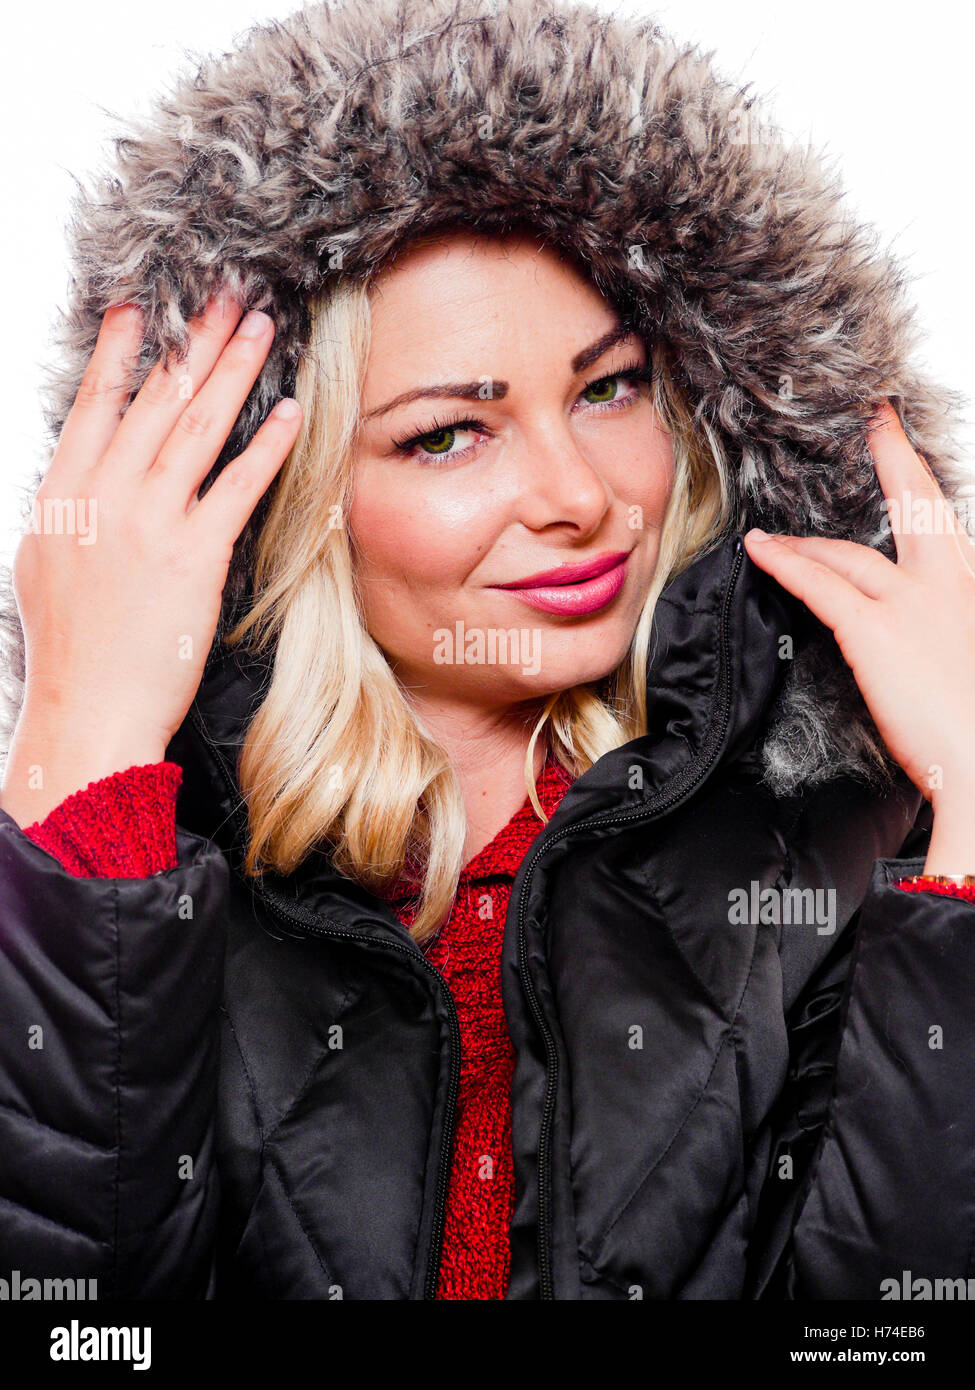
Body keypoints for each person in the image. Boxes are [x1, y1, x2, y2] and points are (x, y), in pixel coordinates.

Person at [0, 0, 974, 1302]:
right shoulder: (152, 876)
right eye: (449, 433)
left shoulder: (826, 859)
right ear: (275, 495)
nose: (577, 495)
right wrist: (77, 752)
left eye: (610, 386)